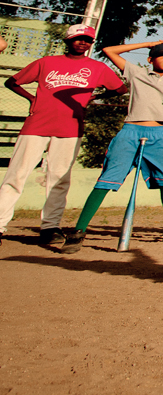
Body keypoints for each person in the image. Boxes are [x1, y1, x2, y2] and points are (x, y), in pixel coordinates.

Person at [61, 41, 163, 253]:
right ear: (150, 59)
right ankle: (78, 232)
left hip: (161, 133)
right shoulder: (136, 72)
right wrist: (148, 44)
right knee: (107, 179)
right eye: (161, 55)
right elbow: (109, 50)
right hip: (131, 131)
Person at [1, 24, 124, 248]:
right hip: (36, 124)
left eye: (87, 40)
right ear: (68, 40)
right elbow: (12, 82)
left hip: (70, 127)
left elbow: (120, 88)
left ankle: (50, 227)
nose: (83, 43)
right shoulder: (47, 62)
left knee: (59, 179)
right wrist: (31, 99)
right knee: (16, 176)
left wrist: (93, 96)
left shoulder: (96, 67)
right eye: (78, 38)